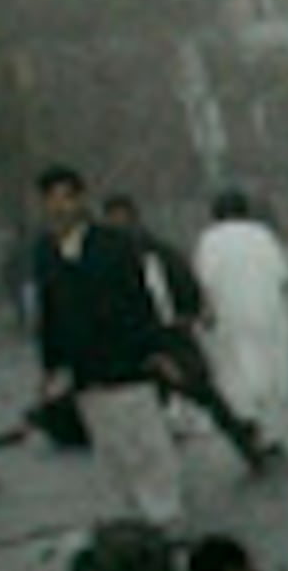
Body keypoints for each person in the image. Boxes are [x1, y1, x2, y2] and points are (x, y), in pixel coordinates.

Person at [32, 166, 189, 527]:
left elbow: (139, 300)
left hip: (127, 359)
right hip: (84, 368)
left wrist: (157, 350)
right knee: (109, 446)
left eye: (65, 198)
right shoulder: (45, 253)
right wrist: (52, 366)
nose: (59, 208)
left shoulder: (113, 245)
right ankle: (128, 516)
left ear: (80, 199)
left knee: (145, 441)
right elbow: (48, 312)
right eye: (51, 200)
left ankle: (165, 511)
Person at [100, 193, 274, 469]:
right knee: (193, 398)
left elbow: (181, 282)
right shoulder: (134, 253)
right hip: (148, 337)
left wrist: (186, 314)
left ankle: (242, 443)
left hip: (165, 336)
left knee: (201, 395)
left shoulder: (148, 252)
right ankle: (241, 443)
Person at [191, 190, 288, 447]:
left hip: (230, 312)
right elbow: (282, 275)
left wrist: (206, 311)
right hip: (268, 310)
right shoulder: (261, 234)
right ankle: (275, 429)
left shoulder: (210, 240)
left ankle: (251, 421)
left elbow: (204, 279)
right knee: (273, 365)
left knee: (240, 367)